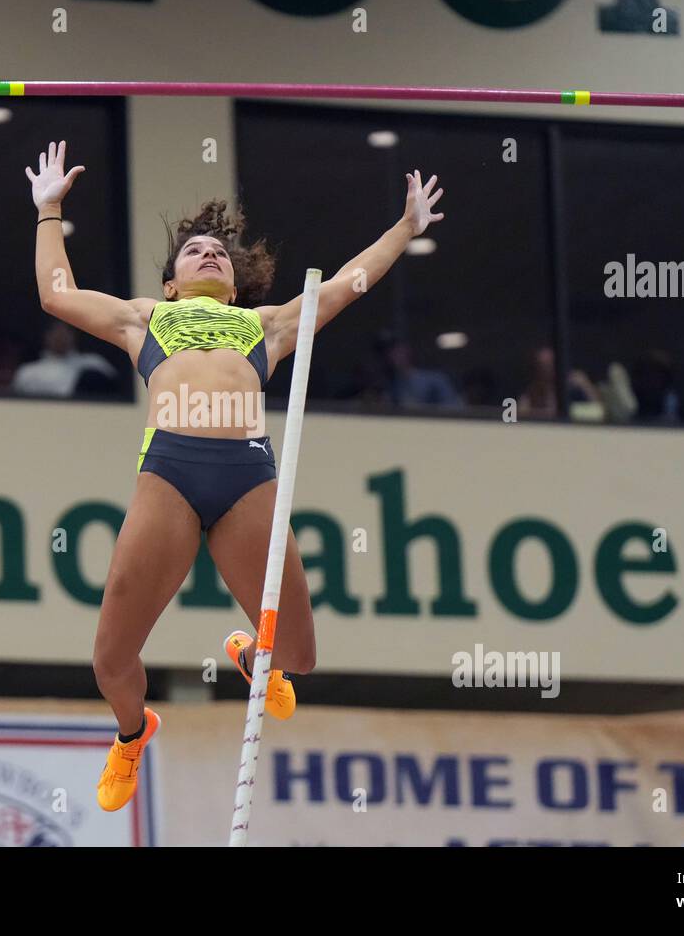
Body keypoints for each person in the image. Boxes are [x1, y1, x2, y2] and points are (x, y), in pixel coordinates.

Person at [25, 139, 445, 811]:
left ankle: (256, 656)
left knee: (300, 657)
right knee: (110, 661)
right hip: (170, 474)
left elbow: (347, 286)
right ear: (171, 283)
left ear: (235, 278)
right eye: (192, 250)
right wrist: (49, 211)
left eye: (217, 251)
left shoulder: (266, 325)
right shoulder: (145, 317)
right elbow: (56, 296)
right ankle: (133, 734)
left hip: (247, 477)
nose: (208, 252)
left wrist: (404, 228)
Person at [12, 320, 119, 397]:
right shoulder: (28, 372)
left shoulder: (95, 363)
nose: (61, 336)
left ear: (74, 335)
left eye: (66, 330)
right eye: (55, 331)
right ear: (46, 336)